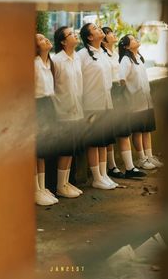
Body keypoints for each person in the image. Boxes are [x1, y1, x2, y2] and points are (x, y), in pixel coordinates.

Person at [101, 27, 150, 178]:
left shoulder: (114, 54)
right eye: (109, 33)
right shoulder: (102, 55)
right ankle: (112, 167)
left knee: (123, 132)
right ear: (104, 40)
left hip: (120, 96)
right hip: (109, 95)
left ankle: (128, 167)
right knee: (112, 133)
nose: (113, 34)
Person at [78, 23, 117, 190]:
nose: (99, 29)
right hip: (91, 104)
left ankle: (103, 175)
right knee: (94, 141)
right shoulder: (81, 55)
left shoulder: (103, 53)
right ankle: (96, 177)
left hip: (106, 102)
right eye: (94, 28)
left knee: (104, 140)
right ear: (89, 37)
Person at [118, 34, 163, 169]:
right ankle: (141, 158)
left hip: (146, 100)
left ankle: (149, 156)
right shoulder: (126, 60)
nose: (136, 39)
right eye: (132, 39)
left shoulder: (138, 57)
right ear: (126, 46)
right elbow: (121, 79)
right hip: (135, 102)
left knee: (146, 130)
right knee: (138, 131)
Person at [52, 26, 84, 198]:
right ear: (63, 41)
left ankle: (66, 182)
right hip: (63, 112)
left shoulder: (77, 58)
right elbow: (52, 87)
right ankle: (60, 185)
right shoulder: (56, 61)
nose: (75, 35)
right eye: (70, 34)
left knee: (71, 148)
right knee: (65, 148)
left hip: (77, 109)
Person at [35, 33, 59, 206]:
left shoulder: (49, 63)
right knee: (34, 151)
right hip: (36, 107)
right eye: (41, 39)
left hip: (48, 106)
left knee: (42, 151)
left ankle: (42, 187)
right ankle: (35, 189)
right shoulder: (33, 64)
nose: (46, 40)